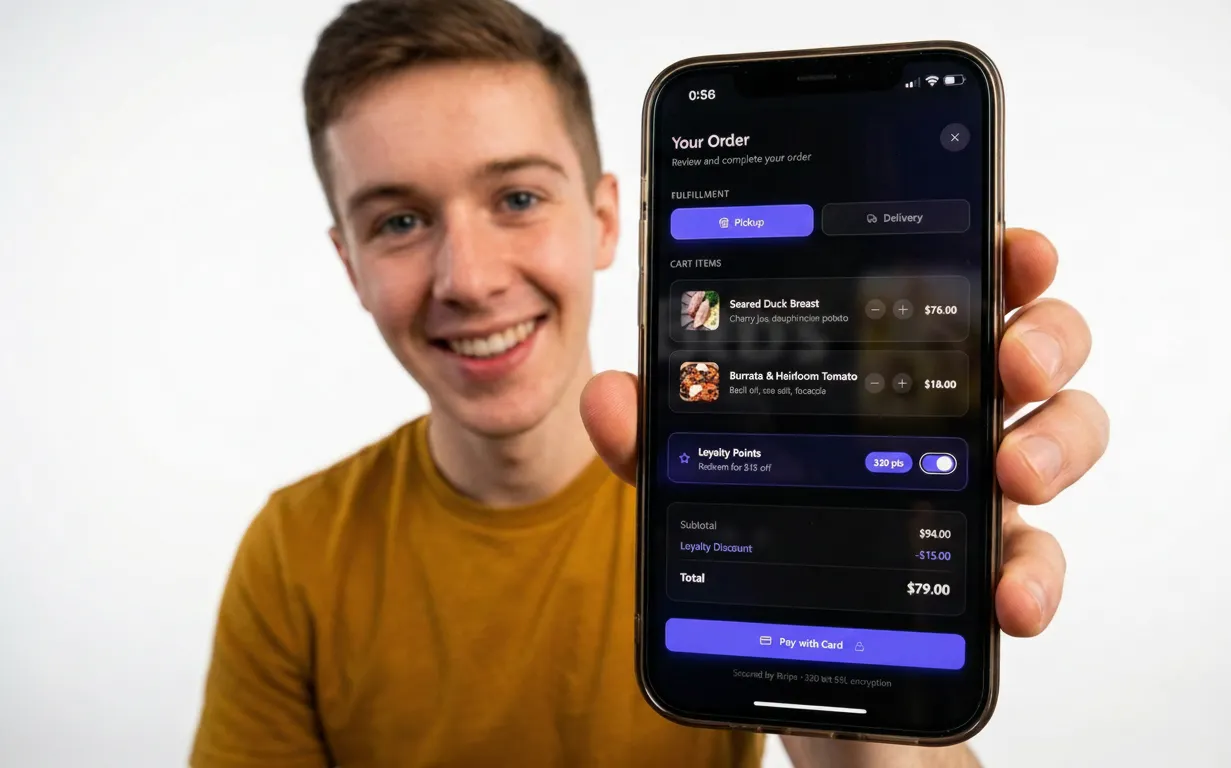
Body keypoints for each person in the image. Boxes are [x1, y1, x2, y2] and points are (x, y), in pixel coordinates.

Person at [189, 0, 1109, 766]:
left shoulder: (757, 487)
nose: (466, 278)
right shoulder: (293, 553)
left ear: (602, 221)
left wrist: (863, 737)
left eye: (516, 197)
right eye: (397, 220)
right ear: (349, 265)